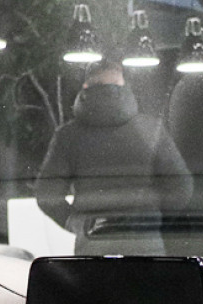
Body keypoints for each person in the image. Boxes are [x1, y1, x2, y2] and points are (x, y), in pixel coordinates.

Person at [35, 60, 193, 255]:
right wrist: (153, 218)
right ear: (123, 85)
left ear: (86, 87)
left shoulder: (67, 136)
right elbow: (182, 186)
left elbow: (47, 195)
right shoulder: (151, 130)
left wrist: (74, 222)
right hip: (144, 243)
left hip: (92, 243)